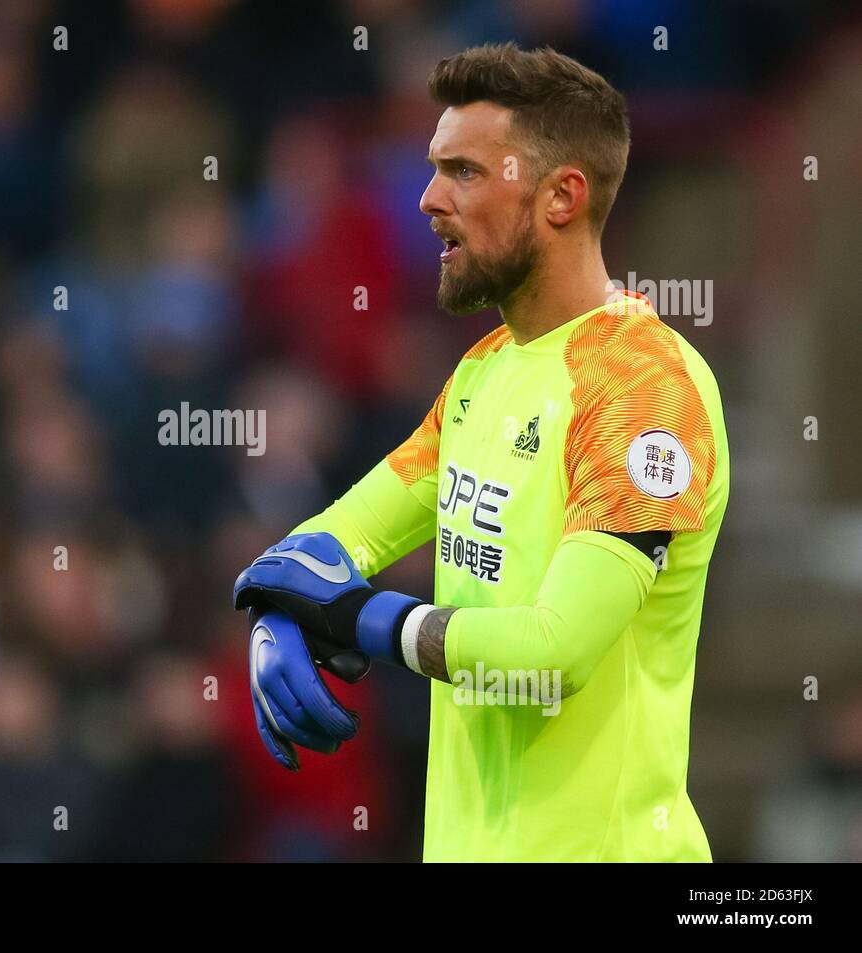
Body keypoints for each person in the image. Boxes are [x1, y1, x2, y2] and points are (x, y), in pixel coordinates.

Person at [235, 43, 729, 862]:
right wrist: (275, 608)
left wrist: (357, 617)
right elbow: (337, 537)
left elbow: (552, 655)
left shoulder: (644, 391)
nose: (428, 199)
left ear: (562, 196)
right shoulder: (484, 371)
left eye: (463, 172)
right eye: (434, 168)